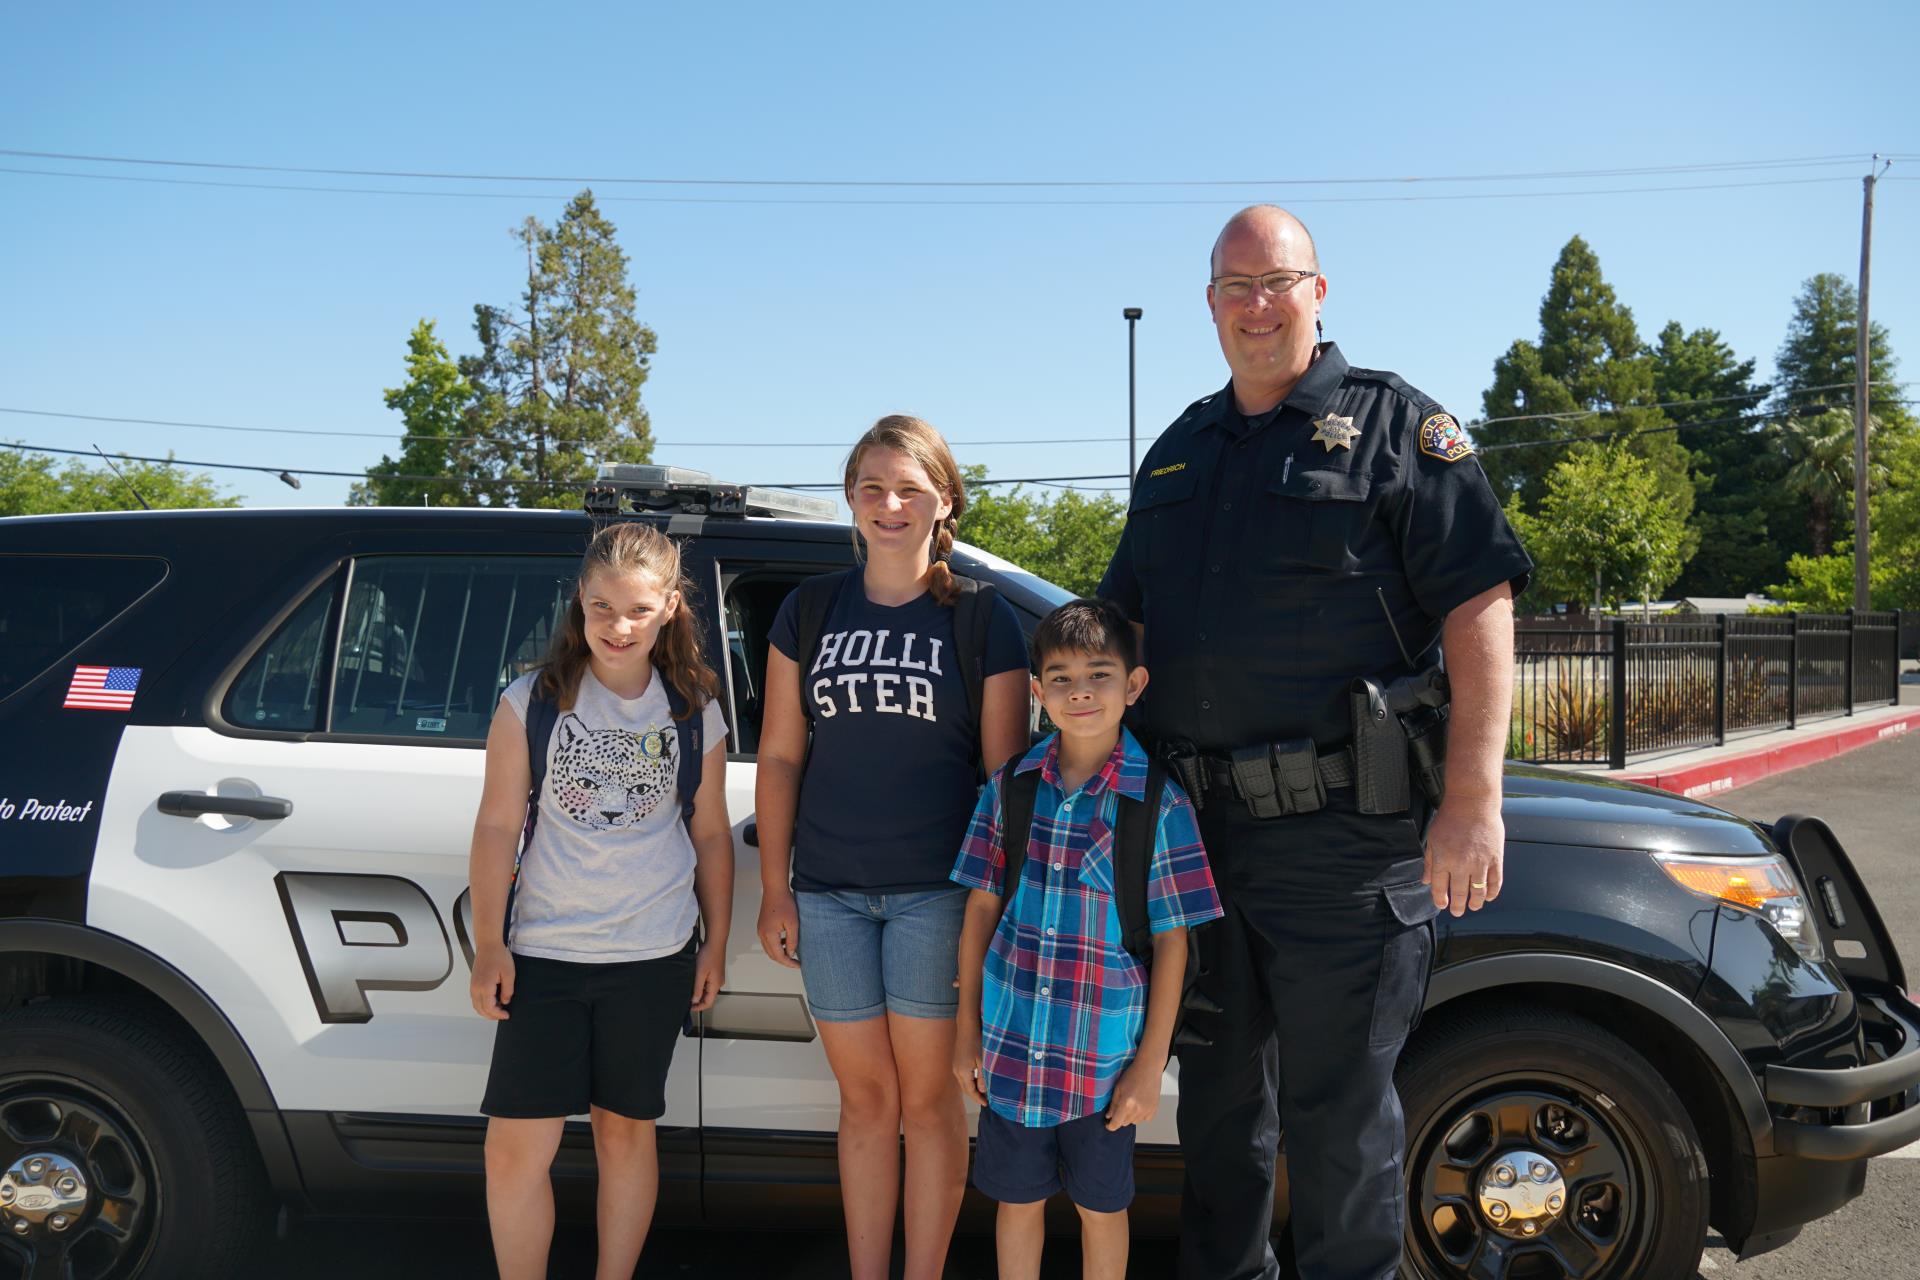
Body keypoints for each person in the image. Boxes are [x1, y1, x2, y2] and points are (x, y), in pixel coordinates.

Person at [1098, 205, 1532, 1280]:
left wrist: (1474, 797)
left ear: (1318, 290)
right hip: (1199, 843)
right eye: (1234, 286)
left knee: (1341, 1122)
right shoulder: (1178, 453)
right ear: (1209, 303)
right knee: (1218, 1120)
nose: (1255, 305)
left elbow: (1480, 606)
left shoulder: (1397, 430)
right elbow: (1122, 630)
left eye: (1275, 281)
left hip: (1345, 840)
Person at [754, 415, 1032, 1280]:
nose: (889, 504)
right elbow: (780, 756)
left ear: (944, 502)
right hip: (829, 894)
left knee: (929, 1105)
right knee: (865, 1104)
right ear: (849, 499)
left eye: (910, 487)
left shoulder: (982, 618)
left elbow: (1002, 780)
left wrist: (995, 913)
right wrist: (775, 888)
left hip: (937, 896)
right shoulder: (809, 610)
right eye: (872, 487)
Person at [466, 521, 734, 1280]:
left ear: (671, 608)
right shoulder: (532, 701)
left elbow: (711, 835)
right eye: (600, 607)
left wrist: (713, 943)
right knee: (515, 1147)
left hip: (651, 957)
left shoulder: (693, 711)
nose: (618, 627)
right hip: (544, 956)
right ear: (578, 606)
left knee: (627, 1133)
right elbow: (495, 826)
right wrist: (491, 942)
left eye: (638, 610)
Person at [950, 598, 1222, 1280]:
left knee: (1103, 1209)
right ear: (1037, 693)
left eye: (1100, 674)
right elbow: (981, 912)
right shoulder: (1010, 788)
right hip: (1012, 1052)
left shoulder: (1158, 803)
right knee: (1016, 1203)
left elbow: (1175, 944)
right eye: (1061, 678)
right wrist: (966, 1032)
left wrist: (1148, 1066)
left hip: (1102, 1067)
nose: (1081, 691)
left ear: (1133, 687)